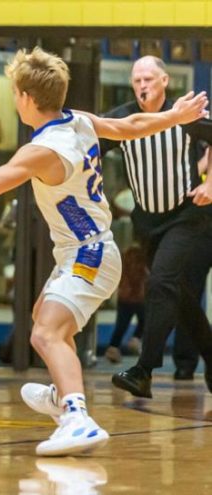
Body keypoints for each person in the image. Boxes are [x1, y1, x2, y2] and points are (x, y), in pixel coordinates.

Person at [0, 47, 207, 456]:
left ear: (27, 98)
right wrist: (174, 116)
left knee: (46, 333)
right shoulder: (79, 121)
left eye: (15, 93)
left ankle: (76, 415)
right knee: (43, 322)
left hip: (90, 254)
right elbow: (129, 125)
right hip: (85, 252)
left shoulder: (42, 149)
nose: (15, 100)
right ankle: (62, 395)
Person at [105, 56, 212, 394]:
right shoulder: (123, 118)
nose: (142, 85)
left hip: (186, 215)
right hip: (147, 222)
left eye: (149, 78)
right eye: (137, 80)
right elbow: (87, 138)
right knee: (179, 297)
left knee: (162, 284)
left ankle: (144, 370)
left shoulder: (185, 113)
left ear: (165, 80)